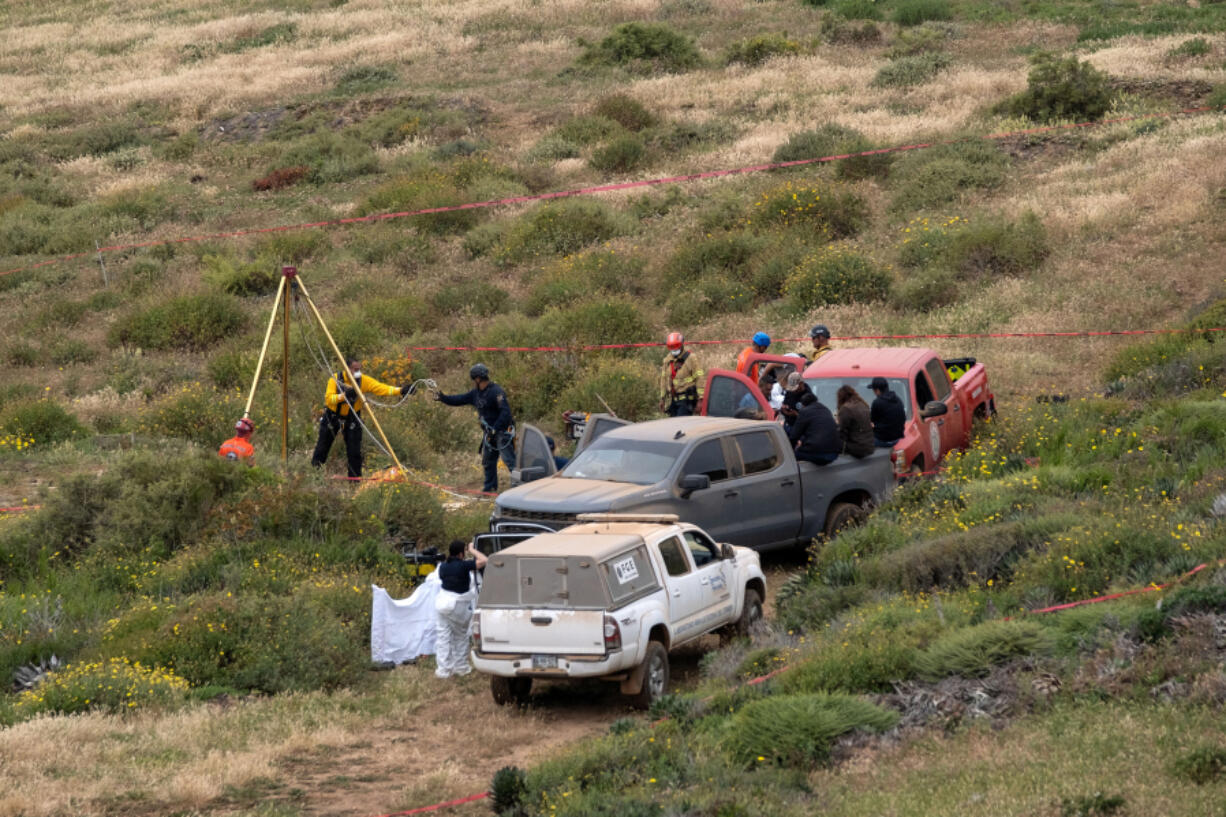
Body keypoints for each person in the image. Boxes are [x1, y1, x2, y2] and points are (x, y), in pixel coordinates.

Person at [312, 356, 409, 478]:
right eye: (354, 369)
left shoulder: (363, 381)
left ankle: (354, 482)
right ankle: (314, 476)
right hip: (332, 416)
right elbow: (329, 398)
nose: (357, 372)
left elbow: (381, 388)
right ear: (347, 368)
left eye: (359, 369)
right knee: (322, 449)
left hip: (352, 418)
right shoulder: (335, 380)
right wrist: (344, 396)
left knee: (354, 452)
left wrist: (401, 390)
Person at [435, 363, 515, 493]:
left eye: (474, 379)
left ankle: (521, 487)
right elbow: (459, 399)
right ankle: (489, 489)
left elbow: (506, 413)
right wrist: (443, 398)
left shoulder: (496, 392)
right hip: (489, 434)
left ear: (477, 379)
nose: (473, 382)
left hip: (502, 433)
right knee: (488, 462)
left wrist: (496, 428)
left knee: (510, 461)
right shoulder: (475, 394)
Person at [433, 539, 488, 679]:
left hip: (441, 604)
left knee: (443, 638)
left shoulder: (442, 567)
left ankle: (443, 670)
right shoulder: (464, 565)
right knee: (460, 636)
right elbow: (485, 560)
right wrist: (472, 549)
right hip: (457, 605)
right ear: (461, 553)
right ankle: (461, 667)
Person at [788, 392, 841, 466]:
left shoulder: (804, 411)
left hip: (818, 454)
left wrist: (790, 450)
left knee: (790, 458)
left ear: (803, 405)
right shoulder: (826, 410)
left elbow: (794, 436)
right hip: (833, 454)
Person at [659, 332, 704, 417]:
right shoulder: (667, 360)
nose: (674, 350)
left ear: (682, 345)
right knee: (673, 426)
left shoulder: (691, 358)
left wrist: (701, 399)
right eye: (671, 347)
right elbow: (663, 380)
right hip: (673, 400)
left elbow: (699, 378)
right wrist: (662, 398)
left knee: (681, 426)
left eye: (676, 347)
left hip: (686, 401)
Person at [836, 385, 874, 458]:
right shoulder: (863, 404)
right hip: (870, 445)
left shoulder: (846, 409)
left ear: (841, 397)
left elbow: (842, 433)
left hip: (858, 448)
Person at [870, 376, 906, 447]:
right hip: (898, 438)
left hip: (882, 440)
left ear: (877, 390)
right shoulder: (898, 399)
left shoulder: (877, 403)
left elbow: (872, 421)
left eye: (873, 390)